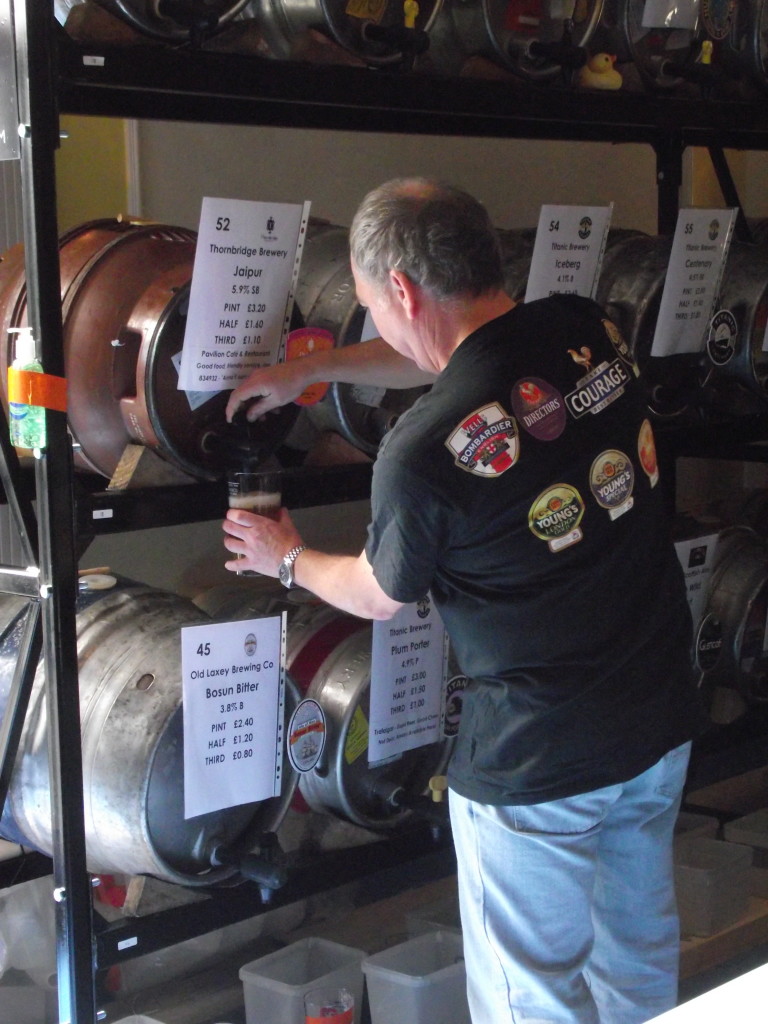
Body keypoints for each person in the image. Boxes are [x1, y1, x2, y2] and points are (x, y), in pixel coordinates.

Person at [222, 177, 705, 1024]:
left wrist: (288, 557)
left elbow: (377, 593)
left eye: (373, 306)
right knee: (637, 963)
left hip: (540, 761)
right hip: (655, 713)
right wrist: (312, 368)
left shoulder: (417, 457)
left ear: (400, 291)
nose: (379, 322)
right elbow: (446, 356)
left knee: (533, 1001)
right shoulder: (582, 328)